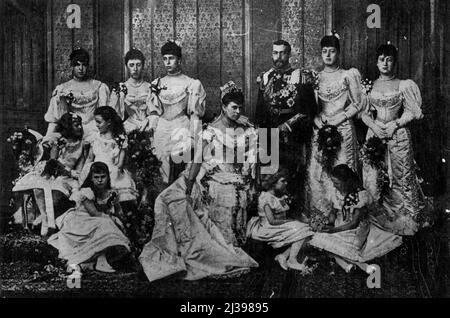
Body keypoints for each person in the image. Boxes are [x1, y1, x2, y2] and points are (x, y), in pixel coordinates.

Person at [138, 83, 258, 282]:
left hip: (235, 175)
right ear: (223, 106)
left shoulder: (246, 129)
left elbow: (252, 157)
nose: (237, 112)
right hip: (208, 173)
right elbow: (198, 160)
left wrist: (250, 178)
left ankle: (227, 243)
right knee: (171, 200)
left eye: (240, 108)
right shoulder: (210, 131)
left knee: (231, 190)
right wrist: (190, 183)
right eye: (233, 107)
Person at [360, 43, 427, 236]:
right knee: (374, 176)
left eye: (389, 59)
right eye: (382, 59)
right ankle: (377, 218)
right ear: (376, 62)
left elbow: (413, 112)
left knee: (400, 177)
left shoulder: (404, 84)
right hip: (375, 134)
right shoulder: (369, 86)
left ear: (395, 62)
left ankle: (403, 220)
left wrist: (395, 124)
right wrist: (374, 126)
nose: (385, 63)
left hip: (397, 135)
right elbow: (364, 113)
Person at [304, 33, 363, 224]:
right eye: (324, 51)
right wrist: (317, 119)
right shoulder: (315, 77)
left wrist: (340, 118)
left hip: (343, 128)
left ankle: (343, 218)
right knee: (317, 173)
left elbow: (357, 104)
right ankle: (321, 216)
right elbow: (311, 107)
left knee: (342, 171)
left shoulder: (348, 75)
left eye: (332, 51)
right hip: (320, 128)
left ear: (338, 52)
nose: (328, 55)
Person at [308, 165, 402, 273]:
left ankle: (360, 265)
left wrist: (334, 230)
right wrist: (324, 222)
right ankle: (348, 266)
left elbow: (354, 223)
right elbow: (333, 214)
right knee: (318, 238)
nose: (334, 186)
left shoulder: (360, 195)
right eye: (333, 182)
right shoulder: (335, 193)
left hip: (355, 230)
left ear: (346, 181)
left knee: (326, 244)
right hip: (340, 227)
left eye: (337, 183)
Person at [255, 39, 317, 198]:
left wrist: (288, 125)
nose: (278, 57)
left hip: (292, 134)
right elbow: (260, 110)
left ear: (289, 54)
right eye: (275, 53)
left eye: (282, 53)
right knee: (269, 174)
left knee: (291, 175)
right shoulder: (266, 77)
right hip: (269, 133)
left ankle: (291, 212)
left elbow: (309, 110)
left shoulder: (301, 77)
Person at [48, 162, 131, 273]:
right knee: (105, 224)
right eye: (96, 177)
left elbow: (118, 211)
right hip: (80, 221)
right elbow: (94, 213)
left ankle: (99, 260)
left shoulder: (111, 193)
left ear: (108, 177)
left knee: (110, 225)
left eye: (103, 177)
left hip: (96, 220)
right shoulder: (87, 191)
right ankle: (99, 261)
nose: (100, 180)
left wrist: (119, 217)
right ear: (91, 178)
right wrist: (112, 219)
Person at [12, 113, 88, 235]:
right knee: (40, 188)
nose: (79, 127)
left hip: (68, 178)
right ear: (68, 127)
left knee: (57, 195)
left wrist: (73, 173)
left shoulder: (83, 144)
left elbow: (79, 168)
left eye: (80, 125)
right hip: (54, 174)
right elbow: (54, 161)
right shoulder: (58, 141)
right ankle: (42, 220)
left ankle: (46, 222)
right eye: (76, 125)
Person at [146, 40, 207, 184]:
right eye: (165, 59)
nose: (168, 62)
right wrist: (152, 130)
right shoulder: (157, 83)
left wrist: (194, 136)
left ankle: (178, 191)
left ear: (179, 60)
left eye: (171, 58)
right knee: (159, 158)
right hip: (162, 126)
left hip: (180, 125)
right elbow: (154, 112)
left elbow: (194, 114)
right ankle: (162, 193)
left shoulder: (191, 83)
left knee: (178, 157)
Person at [246, 169, 313, 271]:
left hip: (278, 225)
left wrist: (297, 220)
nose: (285, 183)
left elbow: (284, 213)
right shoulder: (266, 198)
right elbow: (272, 221)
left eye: (286, 181)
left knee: (306, 230)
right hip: (267, 228)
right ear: (273, 183)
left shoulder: (279, 196)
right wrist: (290, 222)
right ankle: (292, 260)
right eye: (283, 181)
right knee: (303, 229)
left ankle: (284, 256)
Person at [44, 48, 110, 140]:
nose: (81, 68)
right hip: (73, 129)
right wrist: (48, 137)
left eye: (84, 65)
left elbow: (103, 113)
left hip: (94, 128)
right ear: (72, 66)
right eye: (77, 65)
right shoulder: (63, 88)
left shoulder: (99, 86)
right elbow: (55, 118)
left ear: (87, 66)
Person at [81, 106, 137, 203]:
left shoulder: (120, 139)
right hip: (95, 168)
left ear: (109, 122)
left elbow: (120, 163)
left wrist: (114, 172)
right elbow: (90, 158)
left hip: (111, 171)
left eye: (99, 122)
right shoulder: (94, 137)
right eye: (95, 122)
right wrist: (84, 171)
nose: (96, 125)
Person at [109, 49, 154, 134]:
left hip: (148, 123)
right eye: (131, 65)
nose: (135, 69)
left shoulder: (149, 87)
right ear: (126, 66)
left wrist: (147, 121)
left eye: (138, 65)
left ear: (143, 66)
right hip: (129, 124)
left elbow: (154, 112)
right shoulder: (122, 87)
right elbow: (115, 113)